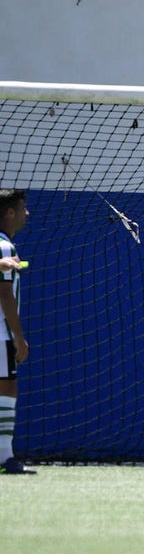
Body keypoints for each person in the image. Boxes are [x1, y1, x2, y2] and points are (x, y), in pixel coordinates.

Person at [0, 190, 33, 475]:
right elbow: (5, 294)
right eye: (23, 208)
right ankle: (5, 457)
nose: (27, 213)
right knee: (7, 387)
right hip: (1, 333)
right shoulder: (4, 248)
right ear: (9, 213)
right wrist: (18, 336)